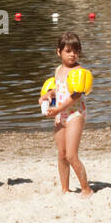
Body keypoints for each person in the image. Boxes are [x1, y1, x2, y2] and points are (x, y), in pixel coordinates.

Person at [42, 32, 92, 197]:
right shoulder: (59, 70)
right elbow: (60, 88)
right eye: (68, 51)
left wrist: (58, 109)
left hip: (74, 114)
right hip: (60, 115)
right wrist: (50, 95)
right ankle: (65, 188)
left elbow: (76, 95)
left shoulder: (79, 71)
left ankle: (86, 188)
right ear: (59, 52)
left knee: (71, 154)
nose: (73, 54)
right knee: (62, 154)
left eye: (76, 51)